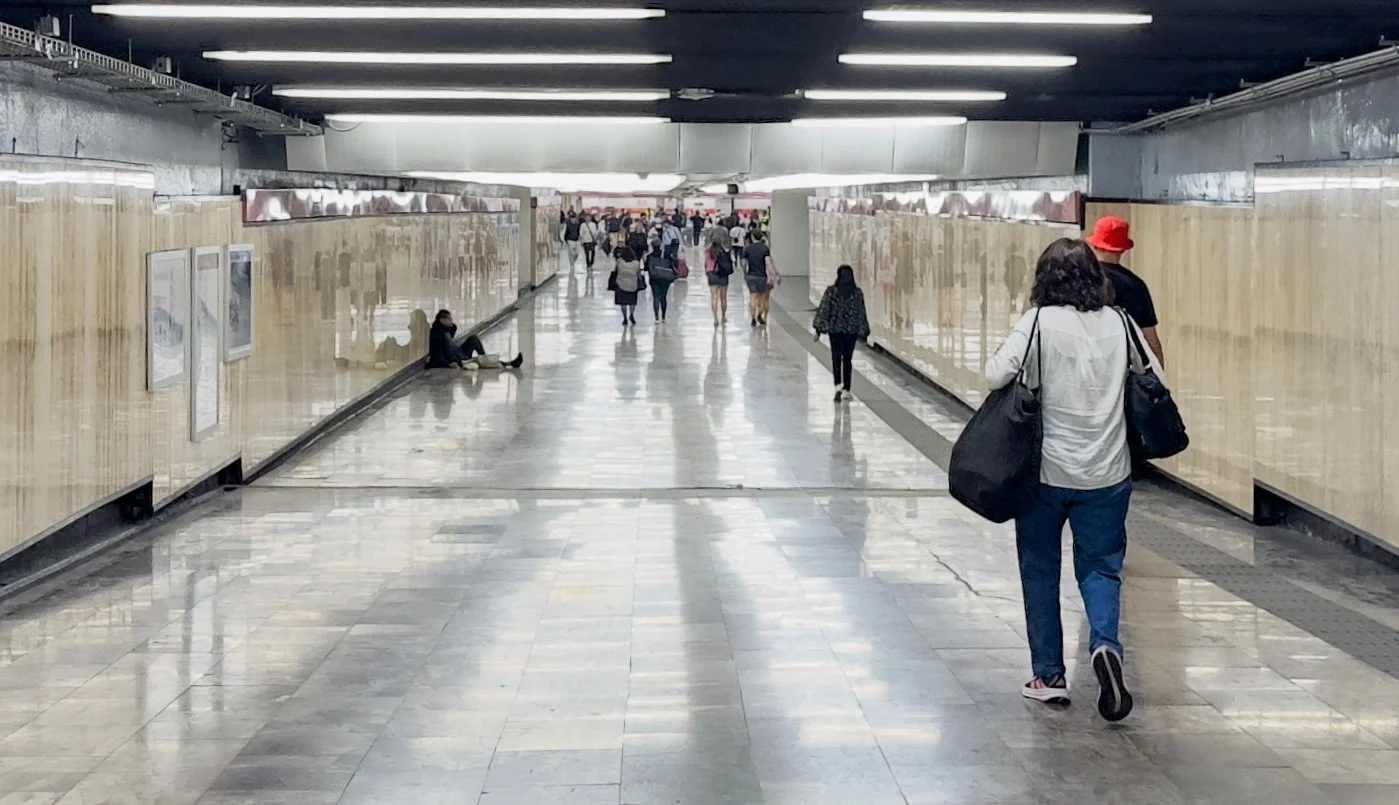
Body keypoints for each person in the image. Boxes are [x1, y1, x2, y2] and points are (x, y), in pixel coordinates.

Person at [983, 238, 1162, 723]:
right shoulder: (1121, 323)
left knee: (1040, 568)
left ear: (1044, 278)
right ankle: (1106, 646)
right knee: (1101, 567)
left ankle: (1049, 676)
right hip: (1107, 470)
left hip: (1043, 473)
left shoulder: (1038, 322)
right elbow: (1156, 378)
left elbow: (994, 373)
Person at [1086, 215, 1164, 366]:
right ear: (1122, 250)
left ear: (1094, 245)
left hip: (1083, 368)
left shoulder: (1079, 280)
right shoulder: (1136, 286)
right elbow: (1151, 340)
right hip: (1122, 370)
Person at [812, 265, 870, 402]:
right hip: (851, 332)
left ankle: (837, 385)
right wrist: (864, 332)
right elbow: (861, 313)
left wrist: (818, 330)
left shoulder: (832, 292)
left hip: (835, 331)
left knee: (836, 358)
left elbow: (824, 310)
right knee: (848, 360)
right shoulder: (857, 293)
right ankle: (846, 389)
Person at [427, 309, 524, 370]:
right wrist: (449, 364)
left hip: (458, 353)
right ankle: (508, 363)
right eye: (449, 319)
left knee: (473, 338)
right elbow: (437, 355)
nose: (451, 321)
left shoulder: (445, 330)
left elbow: (453, 330)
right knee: (477, 361)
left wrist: (450, 324)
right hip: (456, 359)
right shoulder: (437, 334)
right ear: (441, 320)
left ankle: (484, 359)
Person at [743, 231, 778, 327]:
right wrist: (775, 275)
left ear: (753, 237)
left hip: (751, 276)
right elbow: (769, 263)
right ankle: (759, 314)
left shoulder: (747, 249)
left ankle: (753, 318)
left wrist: (745, 274)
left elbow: (744, 263)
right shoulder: (765, 249)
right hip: (762, 276)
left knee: (753, 297)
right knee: (763, 298)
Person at [609, 246, 644, 326]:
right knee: (632, 302)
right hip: (633, 285)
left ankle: (624, 317)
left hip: (621, 284)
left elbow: (615, 271)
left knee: (623, 303)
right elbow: (639, 275)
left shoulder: (619, 261)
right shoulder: (636, 263)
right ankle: (631, 314)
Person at [645, 239, 678, 321]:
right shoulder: (666, 255)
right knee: (663, 297)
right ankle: (663, 316)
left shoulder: (650, 257)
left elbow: (646, 268)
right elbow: (673, 265)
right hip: (665, 279)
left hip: (654, 279)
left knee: (656, 297)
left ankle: (656, 317)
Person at [705, 240, 734, 327]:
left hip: (712, 275)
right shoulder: (723, 253)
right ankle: (723, 317)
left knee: (714, 297)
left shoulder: (708, 252)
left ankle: (715, 318)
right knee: (723, 298)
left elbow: (705, 264)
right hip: (723, 275)